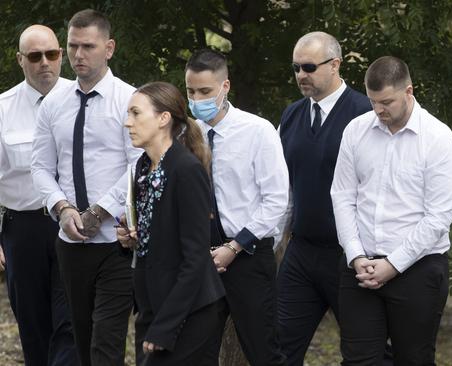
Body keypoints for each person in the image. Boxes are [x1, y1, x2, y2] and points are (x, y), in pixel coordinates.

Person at [331, 56, 452, 365]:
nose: (379, 110)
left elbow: (439, 217)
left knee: (413, 359)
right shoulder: (356, 130)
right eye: (373, 101)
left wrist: (393, 264)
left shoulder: (439, 139)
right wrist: (355, 254)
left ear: (409, 92)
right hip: (359, 268)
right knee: (358, 360)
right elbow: (342, 195)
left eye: (387, 101)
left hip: (418, 268)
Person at [31, 9, 140, 366]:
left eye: (88, 47)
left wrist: (100, 210)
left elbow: (138, 166)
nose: (78, 55)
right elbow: (42, 167)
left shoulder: (130, 101)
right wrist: (62, 208)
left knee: (105, 345)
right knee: (81, 341)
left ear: (109, 48)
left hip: (115, 243)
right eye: (73, 46)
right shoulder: (53, 104)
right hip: (69, 242)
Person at [184, 49, 289, 365]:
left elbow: (276, 201)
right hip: (201, 257)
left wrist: (235, 246)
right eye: (190, 91)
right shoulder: (186, 134)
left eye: (205, 91)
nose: (196, 98)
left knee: (262, 350)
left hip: (248, 256)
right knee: (196, 349)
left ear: (225, 87)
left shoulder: (258, 131)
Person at [276, 31, 372, 365]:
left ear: (335, 65)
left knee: (365, 351)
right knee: (278, 345)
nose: (301, 74)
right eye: (296, 68)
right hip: (301, 252)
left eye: (308, 67)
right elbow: (284, 188)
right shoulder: (291, 116)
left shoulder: (365, 114)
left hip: (350, 255)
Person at [117, 81, 227, 365]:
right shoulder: (143, 166)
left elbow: (195, 258)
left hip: (189, 311)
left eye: (136, 113)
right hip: (154, 304)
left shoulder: (186, 171)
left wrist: (166, 326)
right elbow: (157, 233)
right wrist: (132, 235)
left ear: (163, 118)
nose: (127, 122)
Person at [0, 24, 78, 366]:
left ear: (61, 54)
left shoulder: (85, 99)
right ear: (20, 60)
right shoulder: (3, 108)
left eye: (52, 53)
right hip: (24, 228)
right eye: (34, 56)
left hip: (77, 225)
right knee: (33, 326)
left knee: (73, 322)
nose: (44, 62)